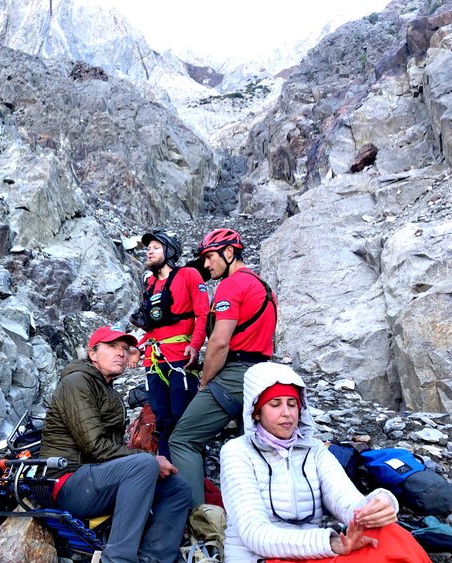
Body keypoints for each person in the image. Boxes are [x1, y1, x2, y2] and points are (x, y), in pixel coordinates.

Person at [220, 362, 431, 563]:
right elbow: (255, 534)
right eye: (275, 404)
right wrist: (330, 542)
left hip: (313, 554)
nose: (287, 413)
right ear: (256, 412)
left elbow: (348, 503)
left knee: (390, 534)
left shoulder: (315, 450)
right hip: (260, 557)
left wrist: (380, 504)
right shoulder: (237, 452)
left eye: (292, 404)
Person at [40, 325, 193, 563]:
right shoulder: (77, 382)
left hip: (97, 477)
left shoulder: (105, 387)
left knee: (177, 488)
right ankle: (118, 559)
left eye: (124, 348)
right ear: (93, 353)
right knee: (144, 465)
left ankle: (152, 558)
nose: (121, 353)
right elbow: (96, 446)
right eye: (111, 347)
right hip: (67, 481)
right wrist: (151, 460)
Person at [169, 228, 277, 506]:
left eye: (210, 257)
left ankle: (196, 518)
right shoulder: (264, 288)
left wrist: (205, 383)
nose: (206, 265)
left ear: (230, 252)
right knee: (247, 449)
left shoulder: (232, 285)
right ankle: (251, 513)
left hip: (234, 374)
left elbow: (218, 342)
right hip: (262, 375)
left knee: (183, 439)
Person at [131, 230, 208, 458]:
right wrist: (138, 348)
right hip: (154, 360)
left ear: (170, 251)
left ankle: (190, 469)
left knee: (182, 417)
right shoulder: (150, 284)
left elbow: (202, 314)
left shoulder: (189, 275)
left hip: (180, 358)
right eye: (148, 248)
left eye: (156, 246)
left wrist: (194, 345)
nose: (149, 250)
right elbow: (152, 327)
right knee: (161, 419)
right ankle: (166, 469)